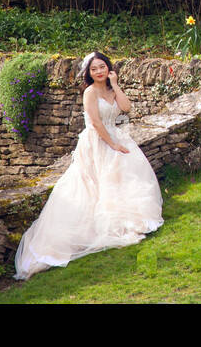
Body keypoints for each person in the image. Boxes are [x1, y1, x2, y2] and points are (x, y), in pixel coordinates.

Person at [14, 51, 163, 280]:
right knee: (93, 184)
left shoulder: (111, 89)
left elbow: (126, 108)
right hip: (97, 141)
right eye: (94, 69)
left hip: (115, 135)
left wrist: (115, 84)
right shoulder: (90, 92)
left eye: (102, 67)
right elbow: (94, 122)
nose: (99, 72)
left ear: (108, 68)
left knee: (122, 178)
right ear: (89, 73)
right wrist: (112, 144)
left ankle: (123, 218)